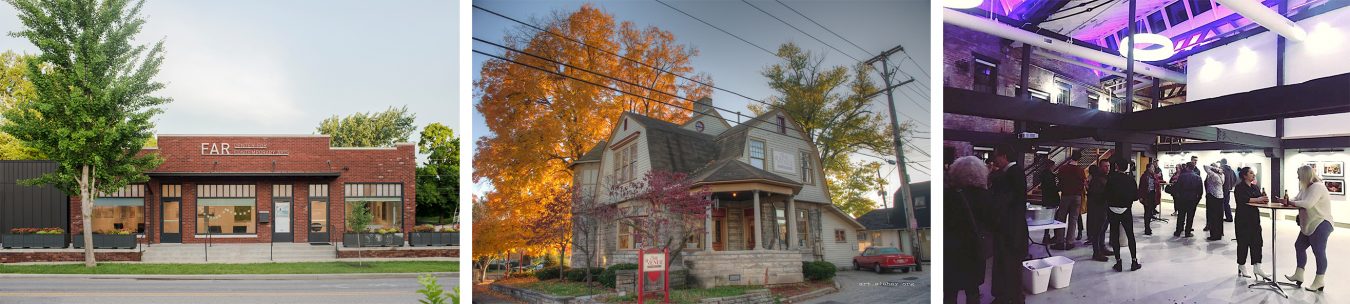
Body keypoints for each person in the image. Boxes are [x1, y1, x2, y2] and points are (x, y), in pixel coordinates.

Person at [1279, 165, 1334, 292]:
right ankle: (1299, 274)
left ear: (1304, 175)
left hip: (1320, 223)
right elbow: (1297, 199)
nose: (1297, 176)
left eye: (1299, 174)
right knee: (1299, 246)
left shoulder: (1317, 187)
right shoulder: (1305, 187)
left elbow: (1308, 204)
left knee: (1318, 251)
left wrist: (1291, 203)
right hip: (1309, 223)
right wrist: (1286, 200)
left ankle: (1319, 281)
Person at [945, 156, 992, 304]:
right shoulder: (985, 196)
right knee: (972, 291)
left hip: (951, 250)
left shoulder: (948, 195)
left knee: (950, 291)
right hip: (974, 249)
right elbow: (992, 222)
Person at [987, 145, 1028, 304]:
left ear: (1004, 156)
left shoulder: (1013, 172)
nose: (995, 160)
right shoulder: (1010, 172)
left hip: (1011, 228)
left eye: (996, 156)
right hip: (1011, 227)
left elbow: (1006, 201)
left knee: (1010, 265)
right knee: (1006, 264)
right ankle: (1006, 295)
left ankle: (1014, 297)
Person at [1233, 167, 1270, 280]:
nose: (1253, 175)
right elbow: (1242, 199)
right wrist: (1258, 199)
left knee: (1257, 242)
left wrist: (1263, 200)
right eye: (1251, 173)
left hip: (1254, 218)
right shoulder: (1239, 188)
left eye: (1254, 173)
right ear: (1244, 175)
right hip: (1243, 219)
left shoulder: (1255, 187)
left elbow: (1259, 198)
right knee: (1243, 242)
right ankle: (1241, 265)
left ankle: (1257, 266)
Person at [1105, 157, 1141, 271]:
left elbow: (1106, 194)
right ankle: (1134, 261)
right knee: (1130, 235)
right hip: (1126, 210)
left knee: (1115, 235)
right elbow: (1136, 197)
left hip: (1112, 210)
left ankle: (1118, 262)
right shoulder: (1130, 179)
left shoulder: (1111, 179)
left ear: (1116, 166)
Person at [1053, 152, 1087, 250]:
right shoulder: (1080, 171)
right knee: (1073, 220)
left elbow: (1059, 180)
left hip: (1065, 195)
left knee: (1061, 218)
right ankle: (1070, 242)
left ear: (1071, 157)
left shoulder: (1063, 168)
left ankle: (1059, 242)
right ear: (1079, 159)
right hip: (1077, 196)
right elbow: (1083, 183)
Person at [1087, 159, 1112, 261]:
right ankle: (1096, 252)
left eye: (1109, 166)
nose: (1108, 168)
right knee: (1097, 230)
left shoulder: (1105, 178)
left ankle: (1102, 247)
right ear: (1100, 167)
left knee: (1103, 229)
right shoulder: (1097, 179)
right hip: (1098, 208)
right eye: (1105, 166)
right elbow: (1096, 194)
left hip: (1105, 207)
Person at [1169, 163, 1203, 238]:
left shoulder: (1182, 176)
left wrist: (1178, 198)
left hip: (1182, 199)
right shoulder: (1197, 177)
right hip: (1192, 200)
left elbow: (1177, 188)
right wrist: (1197, 201)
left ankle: (1178, 231)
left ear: (1187, 167)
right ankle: (1187, 232)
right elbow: (1200, 191)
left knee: (1181, 216)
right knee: (1190, 217)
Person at [1137, 160, 1162, 235]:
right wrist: (1140, 196)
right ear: (1148, 168)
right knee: (1147, 212)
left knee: (1150, 212)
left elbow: (1157, 185)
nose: (1153, 169)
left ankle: (1148, 226)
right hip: (1147, 196)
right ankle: (1147, 228)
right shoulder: (1144, 176)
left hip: (1153, 196)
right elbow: (1141, 187)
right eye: (1152, 167)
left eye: (1154, 168)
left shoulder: (1154, 176)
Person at [1203, 162, 1226, 241]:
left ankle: (1214, 235)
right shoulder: (1222, 175)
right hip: (1220, 197)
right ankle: (1219, 233)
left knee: (1213, 217)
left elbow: (1205, 166)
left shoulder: (1214, 175)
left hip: (1213, 197)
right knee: (1219, 217)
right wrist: (1218, 169)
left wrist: (1215, 168)